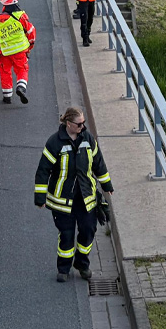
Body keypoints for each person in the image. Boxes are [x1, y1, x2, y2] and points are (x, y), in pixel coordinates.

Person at [34, 107, 113, 282]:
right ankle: (63, 269)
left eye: (83, 123)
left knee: (88, 231)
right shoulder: (55, 143)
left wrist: (107, 185)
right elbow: (43, 171)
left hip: (86, 198)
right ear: (68, 124)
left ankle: (82, 264)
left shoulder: (88, 139)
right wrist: (40, 197)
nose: (82, 127)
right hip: (62, 200)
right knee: (67, 235)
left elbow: (98, 162)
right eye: (79, 124)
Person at [0, 0, 36, 104]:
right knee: (22, 70)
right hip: (20, 51)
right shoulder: (21, 16)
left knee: (5, 72)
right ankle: (21, 87)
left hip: (4, 52)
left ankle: (7, 96)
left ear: (4, 5)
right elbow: (31, 31)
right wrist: (30, 46)